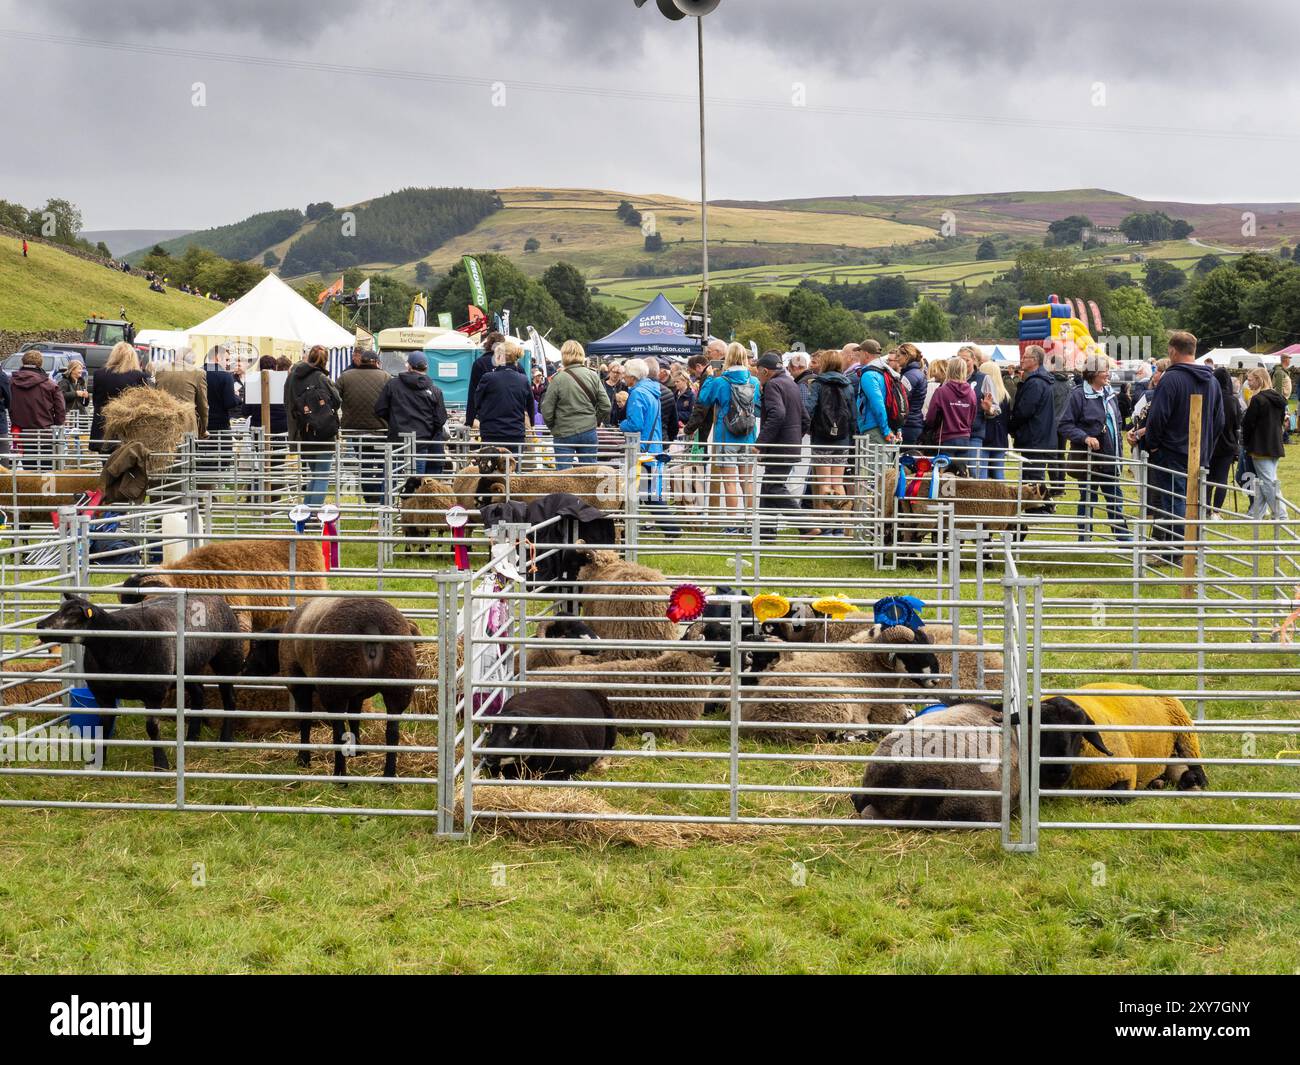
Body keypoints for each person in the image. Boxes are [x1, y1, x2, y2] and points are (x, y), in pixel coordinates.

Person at [1143, 331, 1225, 556]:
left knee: (1173, 502)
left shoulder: (1170, 379)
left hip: (1171, 452)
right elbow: (1220, 421)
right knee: (1192, 501)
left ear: (1172, 351)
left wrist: (1153, 445)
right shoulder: (1212, 381)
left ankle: (1177, 551)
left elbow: (1157, 417)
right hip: (1199, 453)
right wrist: (1207, 444)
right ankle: (1185, 547)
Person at [1058, 358, 1130, 540]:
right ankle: (1085, 536)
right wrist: (1085, 437)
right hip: (1089, 458)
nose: (1108, 374)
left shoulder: (1109, 394)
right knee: (1088, 497)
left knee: (1115, 498)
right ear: (1093, 373)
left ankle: (1122, 536)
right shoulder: (1078, 395)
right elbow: (1065, 425)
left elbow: (1117, 422)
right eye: (1105, 370)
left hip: (1110, 457)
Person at [697, 343, 761, 531]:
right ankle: (750, 522)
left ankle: (732, 524)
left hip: (726, 435)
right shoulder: (754, 381)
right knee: (747, 481)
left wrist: (708, 377)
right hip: (748, 435)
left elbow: (704, 399)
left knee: (729, 482)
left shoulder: (721, 381)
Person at [619, 358, 676, 534]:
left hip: (642, 448)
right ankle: (669, 528)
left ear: (632, 376)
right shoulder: (652, 391)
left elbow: (635, 424)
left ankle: (671, 528)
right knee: (648, 491)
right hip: (653, 445)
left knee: (645, 493)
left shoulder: (637, 393)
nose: (624, 378)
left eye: (626, 374)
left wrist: (621, 425)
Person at [803, 348, 855, 536]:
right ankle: (840, 526)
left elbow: (809, 409)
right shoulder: (848, 385)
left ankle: (825, 525)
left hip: (822, 438)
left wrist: (806, 429)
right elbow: (852, 415)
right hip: (842, 439)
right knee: (838, 481)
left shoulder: (817, 384)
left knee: (824, 482)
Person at [285, 345, 341, 510]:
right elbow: (337, 400)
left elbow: (288, 403)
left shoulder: (292, 377)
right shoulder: (322, 379)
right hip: (324, 432)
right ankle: (313, 514)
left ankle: (305, 513)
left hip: (303, 432)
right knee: (321, 476)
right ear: (326, 361)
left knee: (314, 475)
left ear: (308, 357)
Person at [375, 352, 449, 477]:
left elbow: (380, 408)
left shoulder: (393, 384)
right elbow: (440, 419)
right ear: (426, 367)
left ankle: (387, 497)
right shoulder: (434, 390)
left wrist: (394, 421)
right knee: (415, 480)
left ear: (408, 366)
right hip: (421, 442)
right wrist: (428, 431)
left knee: (390, 480)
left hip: (396, 439)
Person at [754, 352, 807, 522]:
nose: (757, 376)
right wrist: (794, 437)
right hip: (789, 445)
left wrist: (760, 443)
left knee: (774, 487)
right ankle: (765, 533)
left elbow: (777, 413)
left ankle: (804, 524)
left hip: (779, 446)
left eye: (757, 372)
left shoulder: (773, 385)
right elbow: (805, 418)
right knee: (768, 486)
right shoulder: (791, 384)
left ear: (764, 371)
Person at [541, 340, 610, 468]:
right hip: (588, 430)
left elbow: (546, 410)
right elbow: (606, 405)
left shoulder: (558, 379)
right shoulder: (593, 375)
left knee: (564, 479)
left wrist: (554, 427)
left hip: (563, 432)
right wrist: (595, 420)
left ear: (563, 356)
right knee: (589, 477)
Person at [338, 348, 393, 505]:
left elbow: (334, 398)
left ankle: (370, 495)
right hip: (380, 428)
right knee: (382, 462)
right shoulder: (386, 377)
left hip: (354, 429)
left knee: (364, 461)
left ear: (360, 361)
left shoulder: (345, 377)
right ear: (376, 362)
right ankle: (380, 494)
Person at [1007, 345, 1057, 483]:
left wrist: (1010, 425)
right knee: (1032, 478)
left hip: (1034, 439)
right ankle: (1041, 504)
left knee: (1032, 481)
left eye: (1025, 357)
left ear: (1034, 360)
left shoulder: (1036, 383)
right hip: (1038, 438)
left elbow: (1024, 411)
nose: (1022, 360)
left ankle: (1042, 505)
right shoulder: (1041, 381)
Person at [1241, 367, 1286, 520]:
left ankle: (1282, 515)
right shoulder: (1278, 398)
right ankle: (1256, 514)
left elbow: (1248, 424)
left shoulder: (1257, 399)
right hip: (1275, 444)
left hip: (1260, 446)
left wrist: (1246, 443)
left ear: (1259, 380)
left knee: (1268, 483)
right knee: (1264, 481)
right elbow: (1280, 422)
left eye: (1251, 380)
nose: (1248, 383)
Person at [472, 340, 532, 452]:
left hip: (491, 433)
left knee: (489, 467)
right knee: (514, 467)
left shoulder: (488, 378)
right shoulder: (523, 379)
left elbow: (477, 401)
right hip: (515, 433)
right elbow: (530, 405)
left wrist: (483, 416)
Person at [8, 351, 66, 467]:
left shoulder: (11, 382)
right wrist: (56, 425)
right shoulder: (50, 385)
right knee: (46, 472)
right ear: (40, 364)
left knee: (28, 471)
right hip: (45, 432)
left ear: (22, 362)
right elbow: (60, 409)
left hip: (21, 433)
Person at [90, 342, 151, 451]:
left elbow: (96, 401)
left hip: (103, 427)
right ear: (132, 357)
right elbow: (143, 404)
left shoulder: (99, 374)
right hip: (127, 427)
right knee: (126, 462)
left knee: (107, 464)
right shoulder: (138, 376)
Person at [922, 357, 977, 465]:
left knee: (944, 475)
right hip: (964, 438)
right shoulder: (971, 392)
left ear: (949, 369)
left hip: (946, 437)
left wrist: (930, 429)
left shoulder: (942, 391)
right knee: (961, 476)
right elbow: (972, 417)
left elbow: (931, 418)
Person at [155, 348, 209, 438]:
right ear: (192, 361)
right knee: (187, 451)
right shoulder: (198, 373)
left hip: (164, 424)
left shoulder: (160, 371)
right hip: (187, 426)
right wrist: (203, 429)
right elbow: (203, 405)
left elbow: (156, 398)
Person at [1208, 366, 1241, 514]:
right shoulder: (1233, 401)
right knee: (1221, 479)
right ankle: (1216, 511)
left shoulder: (1209, 398)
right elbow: (1237, 425)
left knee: (1208, 478)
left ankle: (1207, 509)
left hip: (1211, 444)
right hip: (1227, 444)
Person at [856, 344, 901, 446]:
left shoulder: (869, 374)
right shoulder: (887, 372)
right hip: (888, 426)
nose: (859, 357)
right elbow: (895, 401)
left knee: (875, 461)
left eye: (860, 354)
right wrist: (898, 428)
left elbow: (878, 403)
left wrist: (885, 431)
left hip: (875, 429)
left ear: (866, 354)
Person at [464, 331, 505, 430]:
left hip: (487, 416)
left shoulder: (479, 363)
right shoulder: (510, 363)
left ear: (487, 344)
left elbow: (473, 393)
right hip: (509, 417)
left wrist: (469, 420)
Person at [980, 359, 1011, 481]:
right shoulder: (1005, 396)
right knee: (999, 474)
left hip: (985, 437)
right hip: (1000, 438)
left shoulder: (984, 396)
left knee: (981, 473)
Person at [898, 343, 927, 445]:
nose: (897, 359)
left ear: (906, 356)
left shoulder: (910, 375)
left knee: (904, 458)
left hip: (908, 424)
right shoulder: (915, 373)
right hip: (913, 422)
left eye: (899, 356)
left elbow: (900, 399)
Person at [1272, 352, 1294, 443]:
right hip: (1281, 400)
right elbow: (1278, 389)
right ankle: (1282, 439)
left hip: (1283, 400)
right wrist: (1280, 402)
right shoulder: (1280, 372)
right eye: (1289, 358)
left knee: (1283, 420)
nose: (1290, 360)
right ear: (1285, 359)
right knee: (1282, 420)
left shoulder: (1282, 371)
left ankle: (1283, 438)